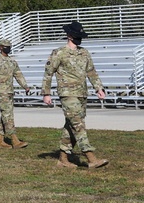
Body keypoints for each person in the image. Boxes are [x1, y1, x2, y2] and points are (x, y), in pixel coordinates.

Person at [42, 21, 109, 169]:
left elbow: (91, 71)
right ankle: (91, 158)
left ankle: (62, 159)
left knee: (71, 125)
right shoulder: (59, 53)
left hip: (82, 93)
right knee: (78, 125)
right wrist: (46, 93)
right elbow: (48, 74)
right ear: (69, 36)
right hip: (67, 94)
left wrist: (98, 88)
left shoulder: (84, 52)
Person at [0, 39, 30, 149]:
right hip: (1, 92)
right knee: (8, 116)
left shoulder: (12, 61)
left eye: (9, 46)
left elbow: (18, 75)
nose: (8, 48)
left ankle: (0, 141)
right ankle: (15, 140)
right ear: (0, 47)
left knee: (5, 116)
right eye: (6, 46)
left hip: (9, 92)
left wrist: (25, 86)